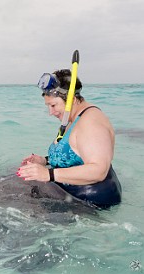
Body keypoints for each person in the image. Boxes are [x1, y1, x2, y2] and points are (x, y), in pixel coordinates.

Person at [17, 69, 122, 208]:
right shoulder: (74, 118)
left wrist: (48, 174)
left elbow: (99, 170)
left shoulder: (91, 123)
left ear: (71, 100)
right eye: (48, 106)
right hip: (71, 194)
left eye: (53, 105)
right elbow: (77, 153)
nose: (50, 112)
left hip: (90, 204)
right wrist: (45, 160)